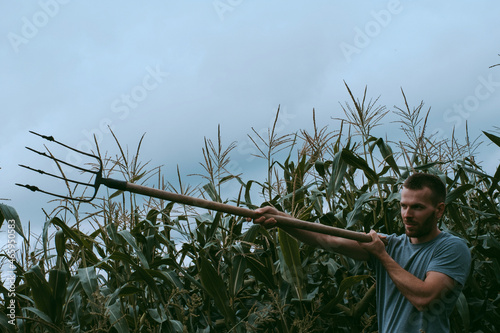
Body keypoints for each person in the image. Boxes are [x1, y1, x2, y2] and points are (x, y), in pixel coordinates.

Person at [250, 173, 471, 333]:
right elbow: (327, 239)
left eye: (417, 207)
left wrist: (382, 256)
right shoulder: (390, 244)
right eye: (403, 206)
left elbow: (426, 299)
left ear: (439, 209)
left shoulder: (451, 248)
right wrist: (281, 218)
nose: (407, 214)